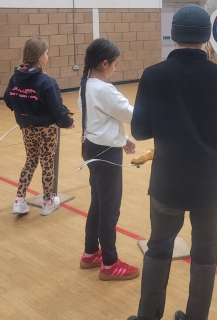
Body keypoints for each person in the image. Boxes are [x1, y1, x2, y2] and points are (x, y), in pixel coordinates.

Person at [128, 5, 217, 320]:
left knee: (159, 247)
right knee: (205, 255)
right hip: (211, 184)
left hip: (168, 182)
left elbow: (140, 130)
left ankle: (148, 316)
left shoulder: (154, 75)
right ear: (207, 37)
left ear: (174, 35)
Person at [78, 38, 140, 281]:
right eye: (115, 63)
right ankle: (110, 263)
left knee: (98, 203)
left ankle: (90, 252)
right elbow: (131, 115)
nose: (116, 67)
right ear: (104, 64)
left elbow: (101, 121)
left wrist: (122, 139)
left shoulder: (86, 85)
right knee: (109, 208)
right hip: (105, 155)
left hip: (92, 149)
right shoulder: (104, 90)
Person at [4, 36, 74, 216]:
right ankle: (48, 202)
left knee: (31, 160)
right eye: (46, 53)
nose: (47, 56)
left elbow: (8, 100)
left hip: (27, 128)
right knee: (47, 163)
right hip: (46, 129)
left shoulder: (15, 78)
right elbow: (58, 110)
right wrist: (68, 122)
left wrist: (23, 110)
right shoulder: (46, 81)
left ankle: (19, 200)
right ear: (40, 56)